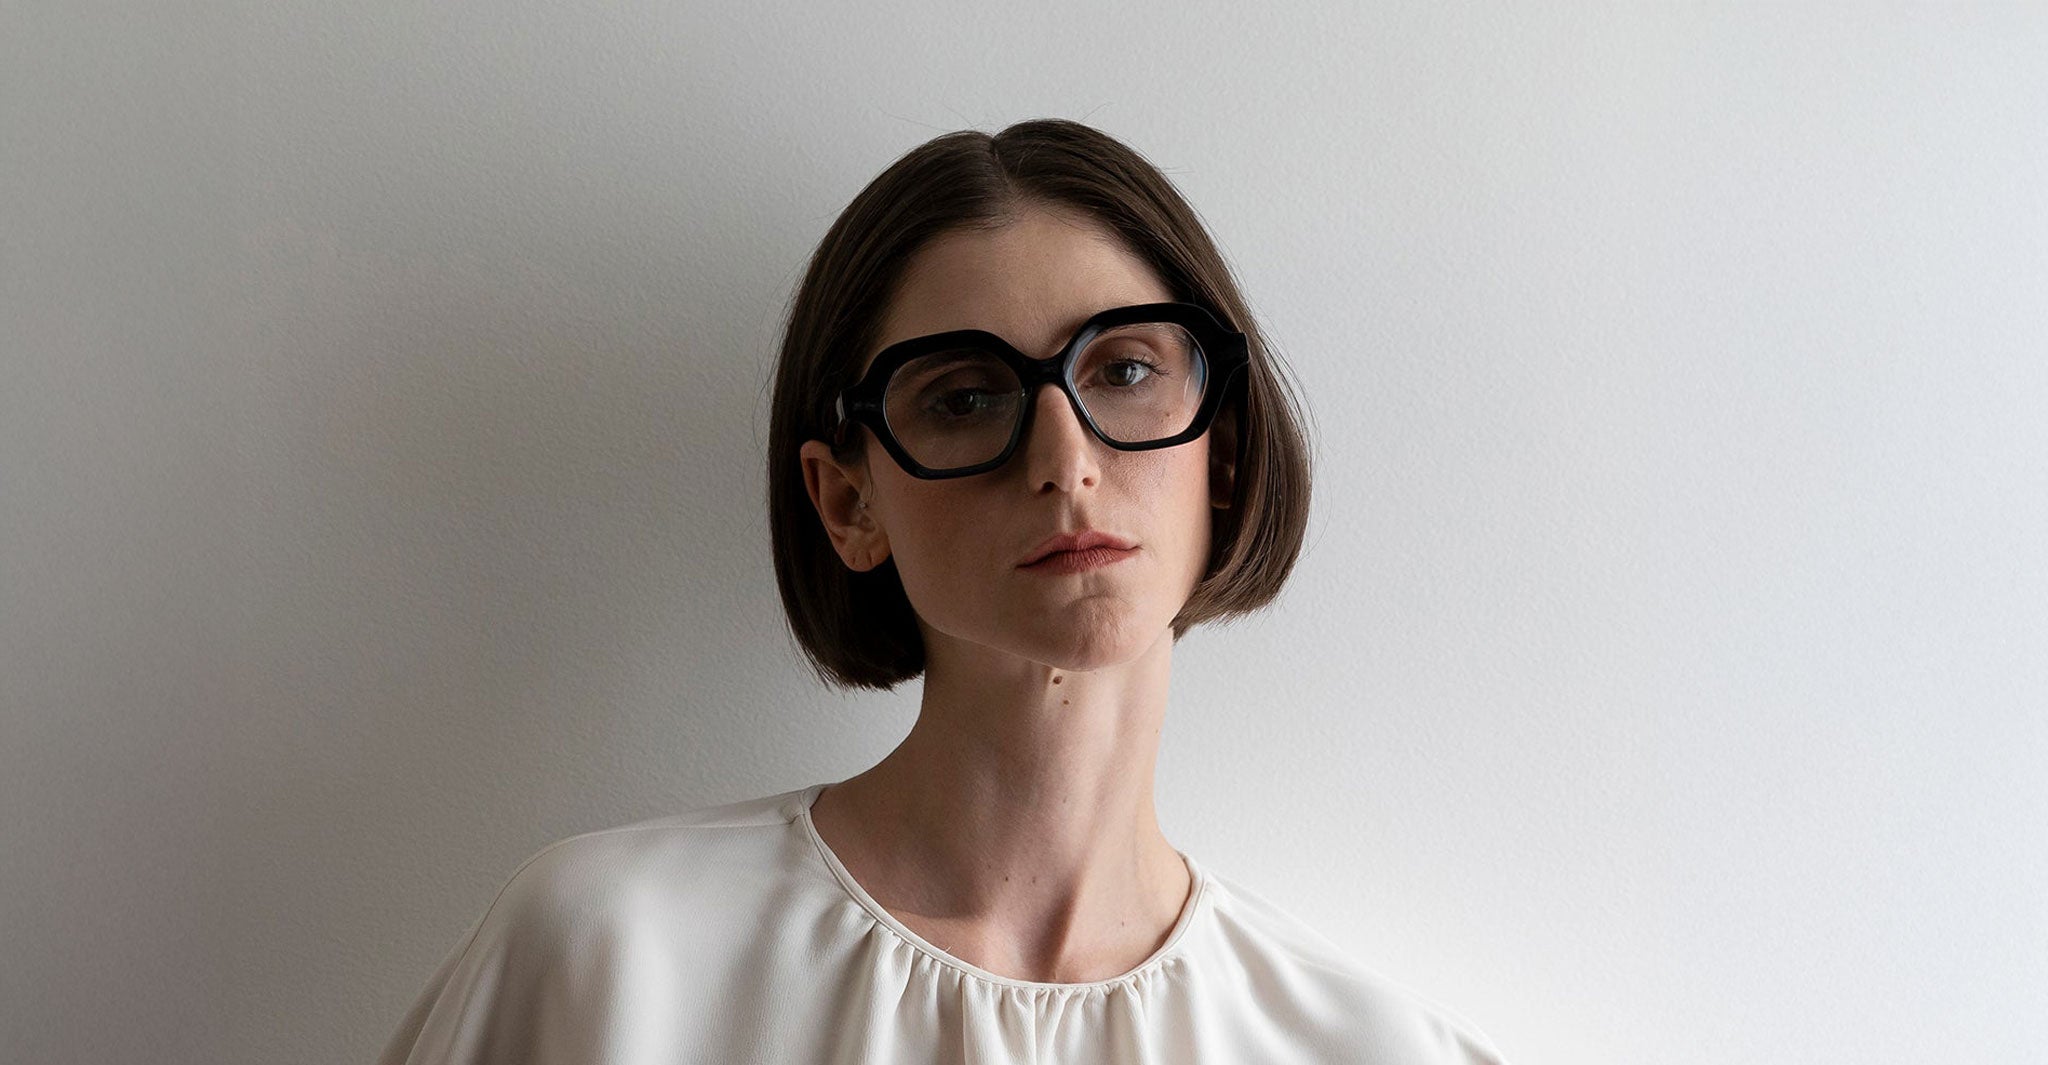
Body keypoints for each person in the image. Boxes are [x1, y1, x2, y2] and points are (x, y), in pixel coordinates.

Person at [376, 118, 1508, 1064]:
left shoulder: (1373, 1048)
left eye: (1123, 370)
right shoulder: (610, 962)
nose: (1063, 460)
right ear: (846, 505)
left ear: (1220, 448)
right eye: (964, 397)